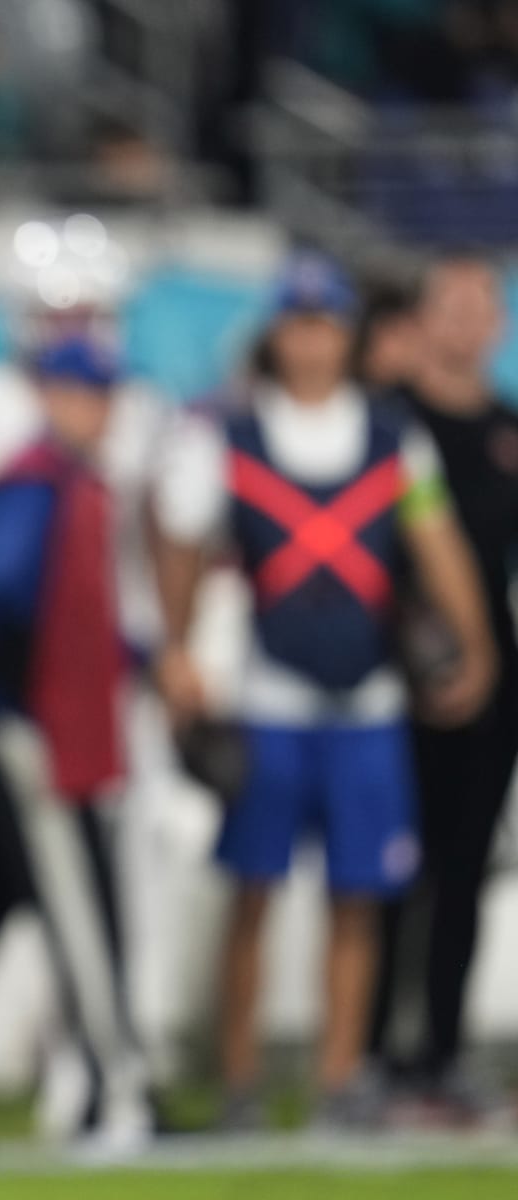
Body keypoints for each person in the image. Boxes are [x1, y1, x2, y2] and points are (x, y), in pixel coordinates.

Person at [153, 253, 497, 1131]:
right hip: (270, 700)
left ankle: (341, 1080)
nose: (311, 342)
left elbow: (437, 543)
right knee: (255, 894)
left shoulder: (391, 440)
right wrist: (180, 649)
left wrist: (479, 647)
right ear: (279, 334)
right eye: (298, 324)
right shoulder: (229, 434)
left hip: (368, 703)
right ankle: (239, 1080)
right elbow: (183, 544)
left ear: (346, 335)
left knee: (360, 898)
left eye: (326, 324)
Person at [0, 331, 156, 1152]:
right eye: (77, 392)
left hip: (37, 727)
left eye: (101, 393)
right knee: (83, 917)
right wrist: (6, 703)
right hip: (31, 735)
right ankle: (118, 1096)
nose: (92, 408)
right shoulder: (36, 482)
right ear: (49, 397)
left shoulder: (68, 481)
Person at [369, 255, 518, 1123]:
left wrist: (480, 665)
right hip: (395, 680)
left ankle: (444, 1057)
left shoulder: (506, 430)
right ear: (420, 320)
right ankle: (379, 1059)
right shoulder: (386, 428)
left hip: (492, 682)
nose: (465, 322)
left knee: (464, 872)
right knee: (391, 872)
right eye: (449, 306)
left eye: (481, 306)